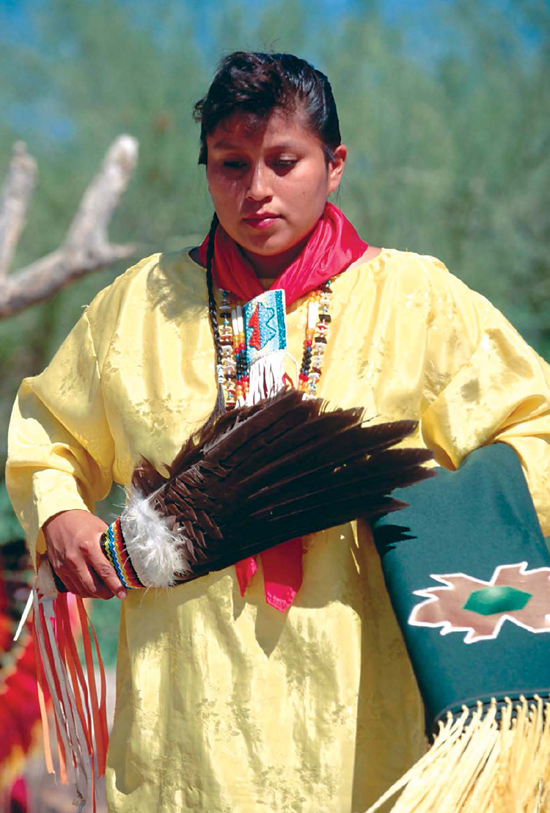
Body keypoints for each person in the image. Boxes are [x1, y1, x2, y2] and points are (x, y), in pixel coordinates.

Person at [6, 51, 550, 813]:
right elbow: (48, 432)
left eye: (283, 161)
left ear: (334, 165)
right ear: (205, 170)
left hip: (367, 717)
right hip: (182, 726)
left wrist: (428, 511)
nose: (256, 189)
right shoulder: (134, 310)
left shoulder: (419, 303)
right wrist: (60, 510)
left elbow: (535, 428)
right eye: (231, 164)